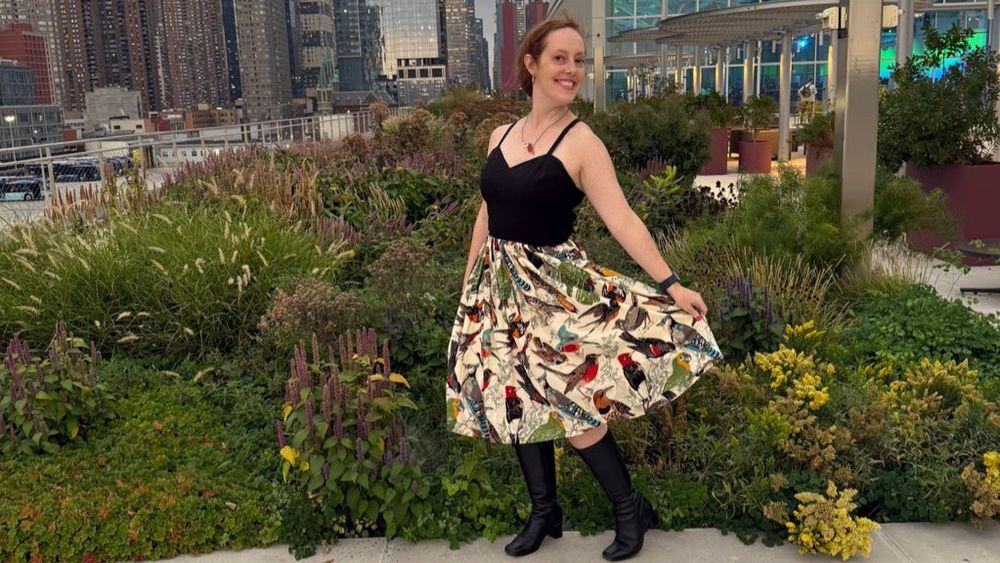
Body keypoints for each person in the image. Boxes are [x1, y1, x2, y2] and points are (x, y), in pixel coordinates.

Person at [445, 17, 723, 562]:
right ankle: (544, 513)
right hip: (498, 289)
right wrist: (470, 277)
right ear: (531, 64)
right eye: (560, 58)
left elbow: (622, 220)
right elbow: (487, 211)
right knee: (516, 398)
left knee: (573, 404)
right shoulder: (500, 135)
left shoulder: (582, 143)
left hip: (554, 290)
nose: (572, 69)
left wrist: (670, 283)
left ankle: (629, 509)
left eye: (578, 60)